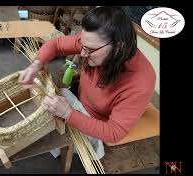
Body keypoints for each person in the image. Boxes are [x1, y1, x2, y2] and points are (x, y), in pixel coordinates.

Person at [18, 6, 156, 144]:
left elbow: (114, 132)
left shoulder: (140, 82)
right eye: (82, 45)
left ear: (118, 47)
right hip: (79, 99)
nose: (82, 53)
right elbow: (56, 44)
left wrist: (68, 114)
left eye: (89, 50)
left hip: (96, 124)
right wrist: (36, 65)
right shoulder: (93, 42)